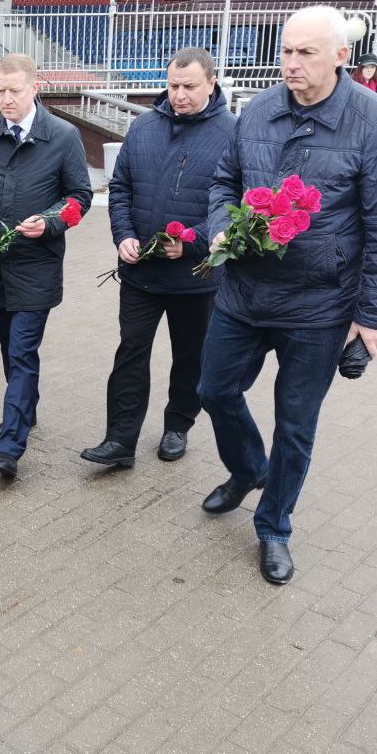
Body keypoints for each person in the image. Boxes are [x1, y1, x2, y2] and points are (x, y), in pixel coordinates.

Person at [197, 6, 377, 585]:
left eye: (306, 52)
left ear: (341, 56)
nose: (291, 63)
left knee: (295, 424)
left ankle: (274, 526)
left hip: (319, 306)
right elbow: (224, 180)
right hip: (244, 294)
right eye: (287, 50)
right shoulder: (259, 110)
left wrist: (373, 317)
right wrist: (220, 224)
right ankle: (247, 470)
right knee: (214, 389)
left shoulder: (373, 121)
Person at [81, 48, 235, 470]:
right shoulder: (145, 126)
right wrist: (124, 236)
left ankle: (178, 424)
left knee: (190, 354)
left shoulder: (231, 133)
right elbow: (122, 188)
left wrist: (195, 244)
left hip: (196, 276)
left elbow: (234, 206)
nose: (179, 95)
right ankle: (120, 440)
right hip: (142, 272)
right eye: (173, 86)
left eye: (189, 87)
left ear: (211, 83)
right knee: (131, 351)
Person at [0, 53, 93, 480]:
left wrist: (51, 222)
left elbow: (80, 198)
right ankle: (25, 410)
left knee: (22, 350)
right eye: (0, 90)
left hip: (37, 264)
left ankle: (11, 444)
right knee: (7, 348)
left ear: (36, 87)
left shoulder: (64, 136)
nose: (6, 99)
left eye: (15, 90)